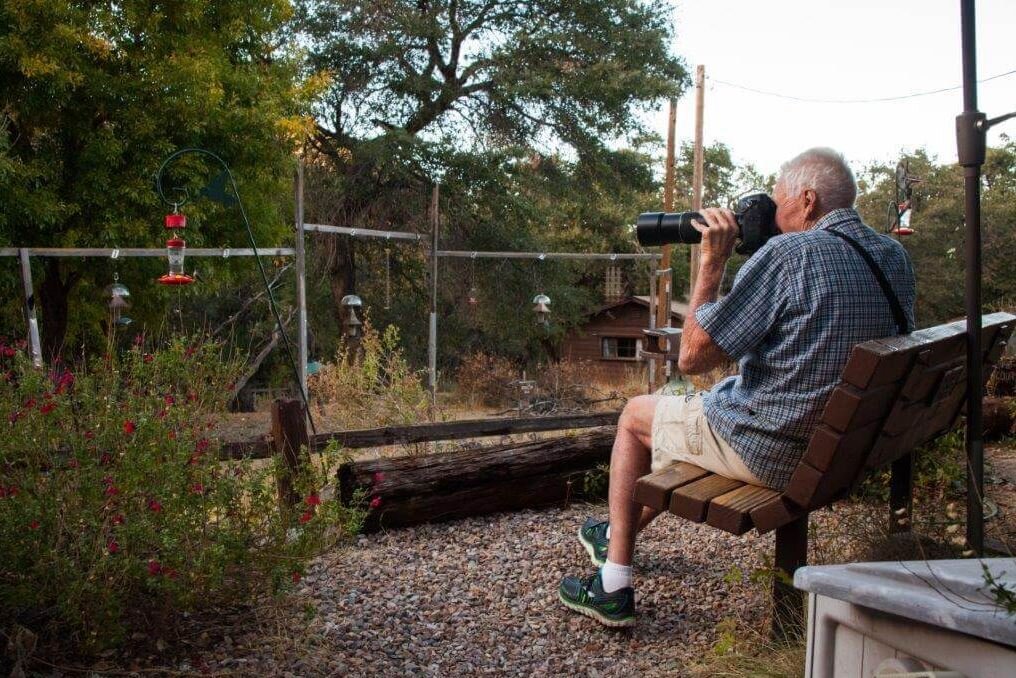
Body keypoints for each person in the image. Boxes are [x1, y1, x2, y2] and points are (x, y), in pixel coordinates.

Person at [558, 147, 916, 628]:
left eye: (778, 199)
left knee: (636, 416)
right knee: (678, 413)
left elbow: (692, 356)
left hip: (773, 450)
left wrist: (711, 262)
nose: (771, 211)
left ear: (807, 200)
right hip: (849, 448)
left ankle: (613, 584)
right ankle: (614, 532)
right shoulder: (892, 255)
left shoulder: (790, 256)